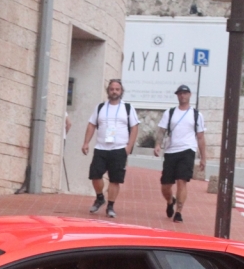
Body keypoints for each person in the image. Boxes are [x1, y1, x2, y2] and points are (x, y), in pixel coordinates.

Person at [81, 79, 140, 218]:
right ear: (108, 91)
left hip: (119, 149)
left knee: (115, 179)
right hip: (101, 148)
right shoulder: (100, 107)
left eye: (117, 89)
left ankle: (111, 206)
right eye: (112, 89)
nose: (114, 91)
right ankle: (100, 197)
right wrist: (86, 142)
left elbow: (134, 127)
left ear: (121, 91)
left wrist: (128, 147)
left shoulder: (127, 108)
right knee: (95, 175)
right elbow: (91, 125)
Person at [153, 84, 207, 224]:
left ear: (189, 95)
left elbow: (200, 137)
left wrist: (203, 158)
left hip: (187, 150)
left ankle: (178, 212)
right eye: (180, 93)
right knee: (165, 185)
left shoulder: (196, 115)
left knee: (182, 181)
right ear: (177, 95)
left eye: (185, 93)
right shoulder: (169, 113)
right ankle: (170, 201)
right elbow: (161, 131)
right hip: (171, 151)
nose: (182, 96)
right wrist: (158, 144)